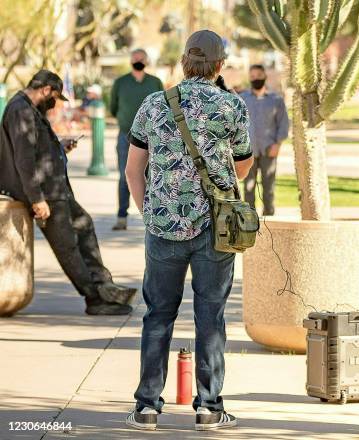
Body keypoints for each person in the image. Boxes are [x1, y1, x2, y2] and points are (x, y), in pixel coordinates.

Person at [124, 30, 253, 431]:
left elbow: (133, 169)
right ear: (219, 66)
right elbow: (243, 165)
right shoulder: (232, 105)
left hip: (163, 226)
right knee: (210, 315)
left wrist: (150, 211)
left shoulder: (152, 104)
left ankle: (147, 407)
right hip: (215, 228)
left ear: (184, 63)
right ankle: (209, 407)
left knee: (158, 314)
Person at [0, 70, 136, 315]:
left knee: (84, 225)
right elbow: (24, 159)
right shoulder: (20, 109)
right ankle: (94, 298)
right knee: (67, 247)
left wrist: (59, 148)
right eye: (54, 97)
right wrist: (37, 199)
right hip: (45, 193)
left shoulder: (29, 109)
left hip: (56, 189)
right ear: (45, 91)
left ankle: (103, 285)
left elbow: (35, 150)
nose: (54, 103)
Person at [110, 48, 164, 231]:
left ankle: (152, 217)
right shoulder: (120, 83)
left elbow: (163, 107)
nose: (138, 61)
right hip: (126, 135)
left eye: (141, 58)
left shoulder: (155, 83)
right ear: (130, 61)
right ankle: (121, 217)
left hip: (152, 138)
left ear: (146, 61)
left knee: (153, 175)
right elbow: (113, 107)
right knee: (126, 175)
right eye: (135, 58)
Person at [239, 64, 289, 215]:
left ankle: (270, 220)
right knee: (248, 189)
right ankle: (249, 222)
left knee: (268, 189)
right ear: (249, 78)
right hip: (249, 152)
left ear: (265, 76)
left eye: (258, 75)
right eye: (252, 76)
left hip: (269, 150)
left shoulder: (276, 100)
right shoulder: (242, 99)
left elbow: (284, 123)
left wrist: (278, 144)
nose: (256, 79)